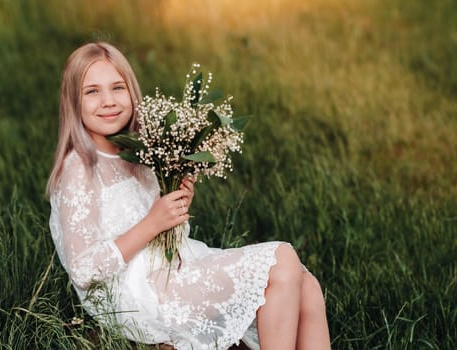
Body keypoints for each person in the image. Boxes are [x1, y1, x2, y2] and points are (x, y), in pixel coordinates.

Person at [46, 42, 330, 350]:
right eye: (92, 91)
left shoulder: (138, 153)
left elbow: (164, 236)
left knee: (308, 285)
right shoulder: (80, 168)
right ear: (73, 102)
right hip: (135, 291)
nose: (108, 101)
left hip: (172, 266)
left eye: (117, 87)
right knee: (283, 258)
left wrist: (177, 206)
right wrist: (153, 223)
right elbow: (84, 270)